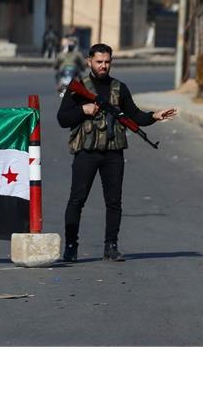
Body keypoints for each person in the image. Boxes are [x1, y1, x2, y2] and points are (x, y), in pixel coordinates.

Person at [57, 43, 176, 263]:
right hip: (86, 152)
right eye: (99, 62)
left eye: (107, 62)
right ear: (89, 62)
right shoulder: (78, 87)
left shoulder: (119, 88)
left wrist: (155, 116)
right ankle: (71, 246)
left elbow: (135, 116)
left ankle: (111, 246)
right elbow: (62, 118)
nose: (103, 66)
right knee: (77, 200)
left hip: (113, 153)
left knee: (114, 201)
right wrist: (83, 110)